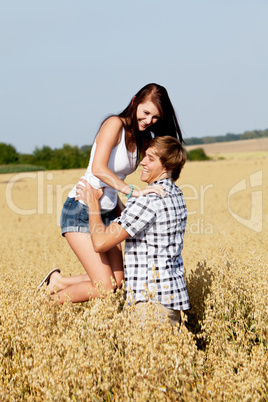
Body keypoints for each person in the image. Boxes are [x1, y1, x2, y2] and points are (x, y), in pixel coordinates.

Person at [38, 84, 184, 300]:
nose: (148, 120)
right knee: (104, 287)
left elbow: (155, 161)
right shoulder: (114, 124)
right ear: (134, 102)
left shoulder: (142, 137)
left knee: (117, 282)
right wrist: (133, 192)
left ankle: (58, 282)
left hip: (108, 212)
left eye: (155, 117)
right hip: (82, 208)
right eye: (146, 113)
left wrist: (127, 212)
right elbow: (98, 168)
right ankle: (44, 304)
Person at [44, 136, 190, 327]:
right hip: (171, 299)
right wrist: (114, 200)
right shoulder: (175, 194)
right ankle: (60, 282)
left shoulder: (148, 200)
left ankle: (46, 302)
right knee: (113, 280)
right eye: (144, 156)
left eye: (151, 159)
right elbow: (136, 222)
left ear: (167, 167)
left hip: (150, 307)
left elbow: (100, 243)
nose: (142, 162)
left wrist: (94, 204)